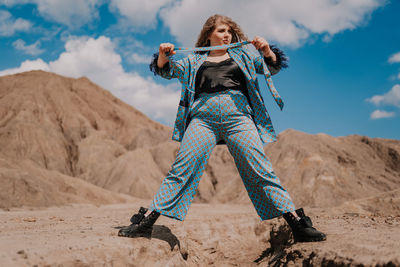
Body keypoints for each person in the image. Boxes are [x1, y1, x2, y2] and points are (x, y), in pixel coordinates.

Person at [118, 14, 326, 243]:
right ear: (208, 35)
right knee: (181, 169)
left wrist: (266, 50)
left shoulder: (244, 55)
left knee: (261, 169)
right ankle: (146, 222)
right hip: (202, 120)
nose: (227, 35)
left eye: (229, 31)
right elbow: (165, 70)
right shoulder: (193, 60)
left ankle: (297, 224)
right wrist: (162, 54)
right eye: (221, 31)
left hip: (239, 118)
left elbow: (272, 67)